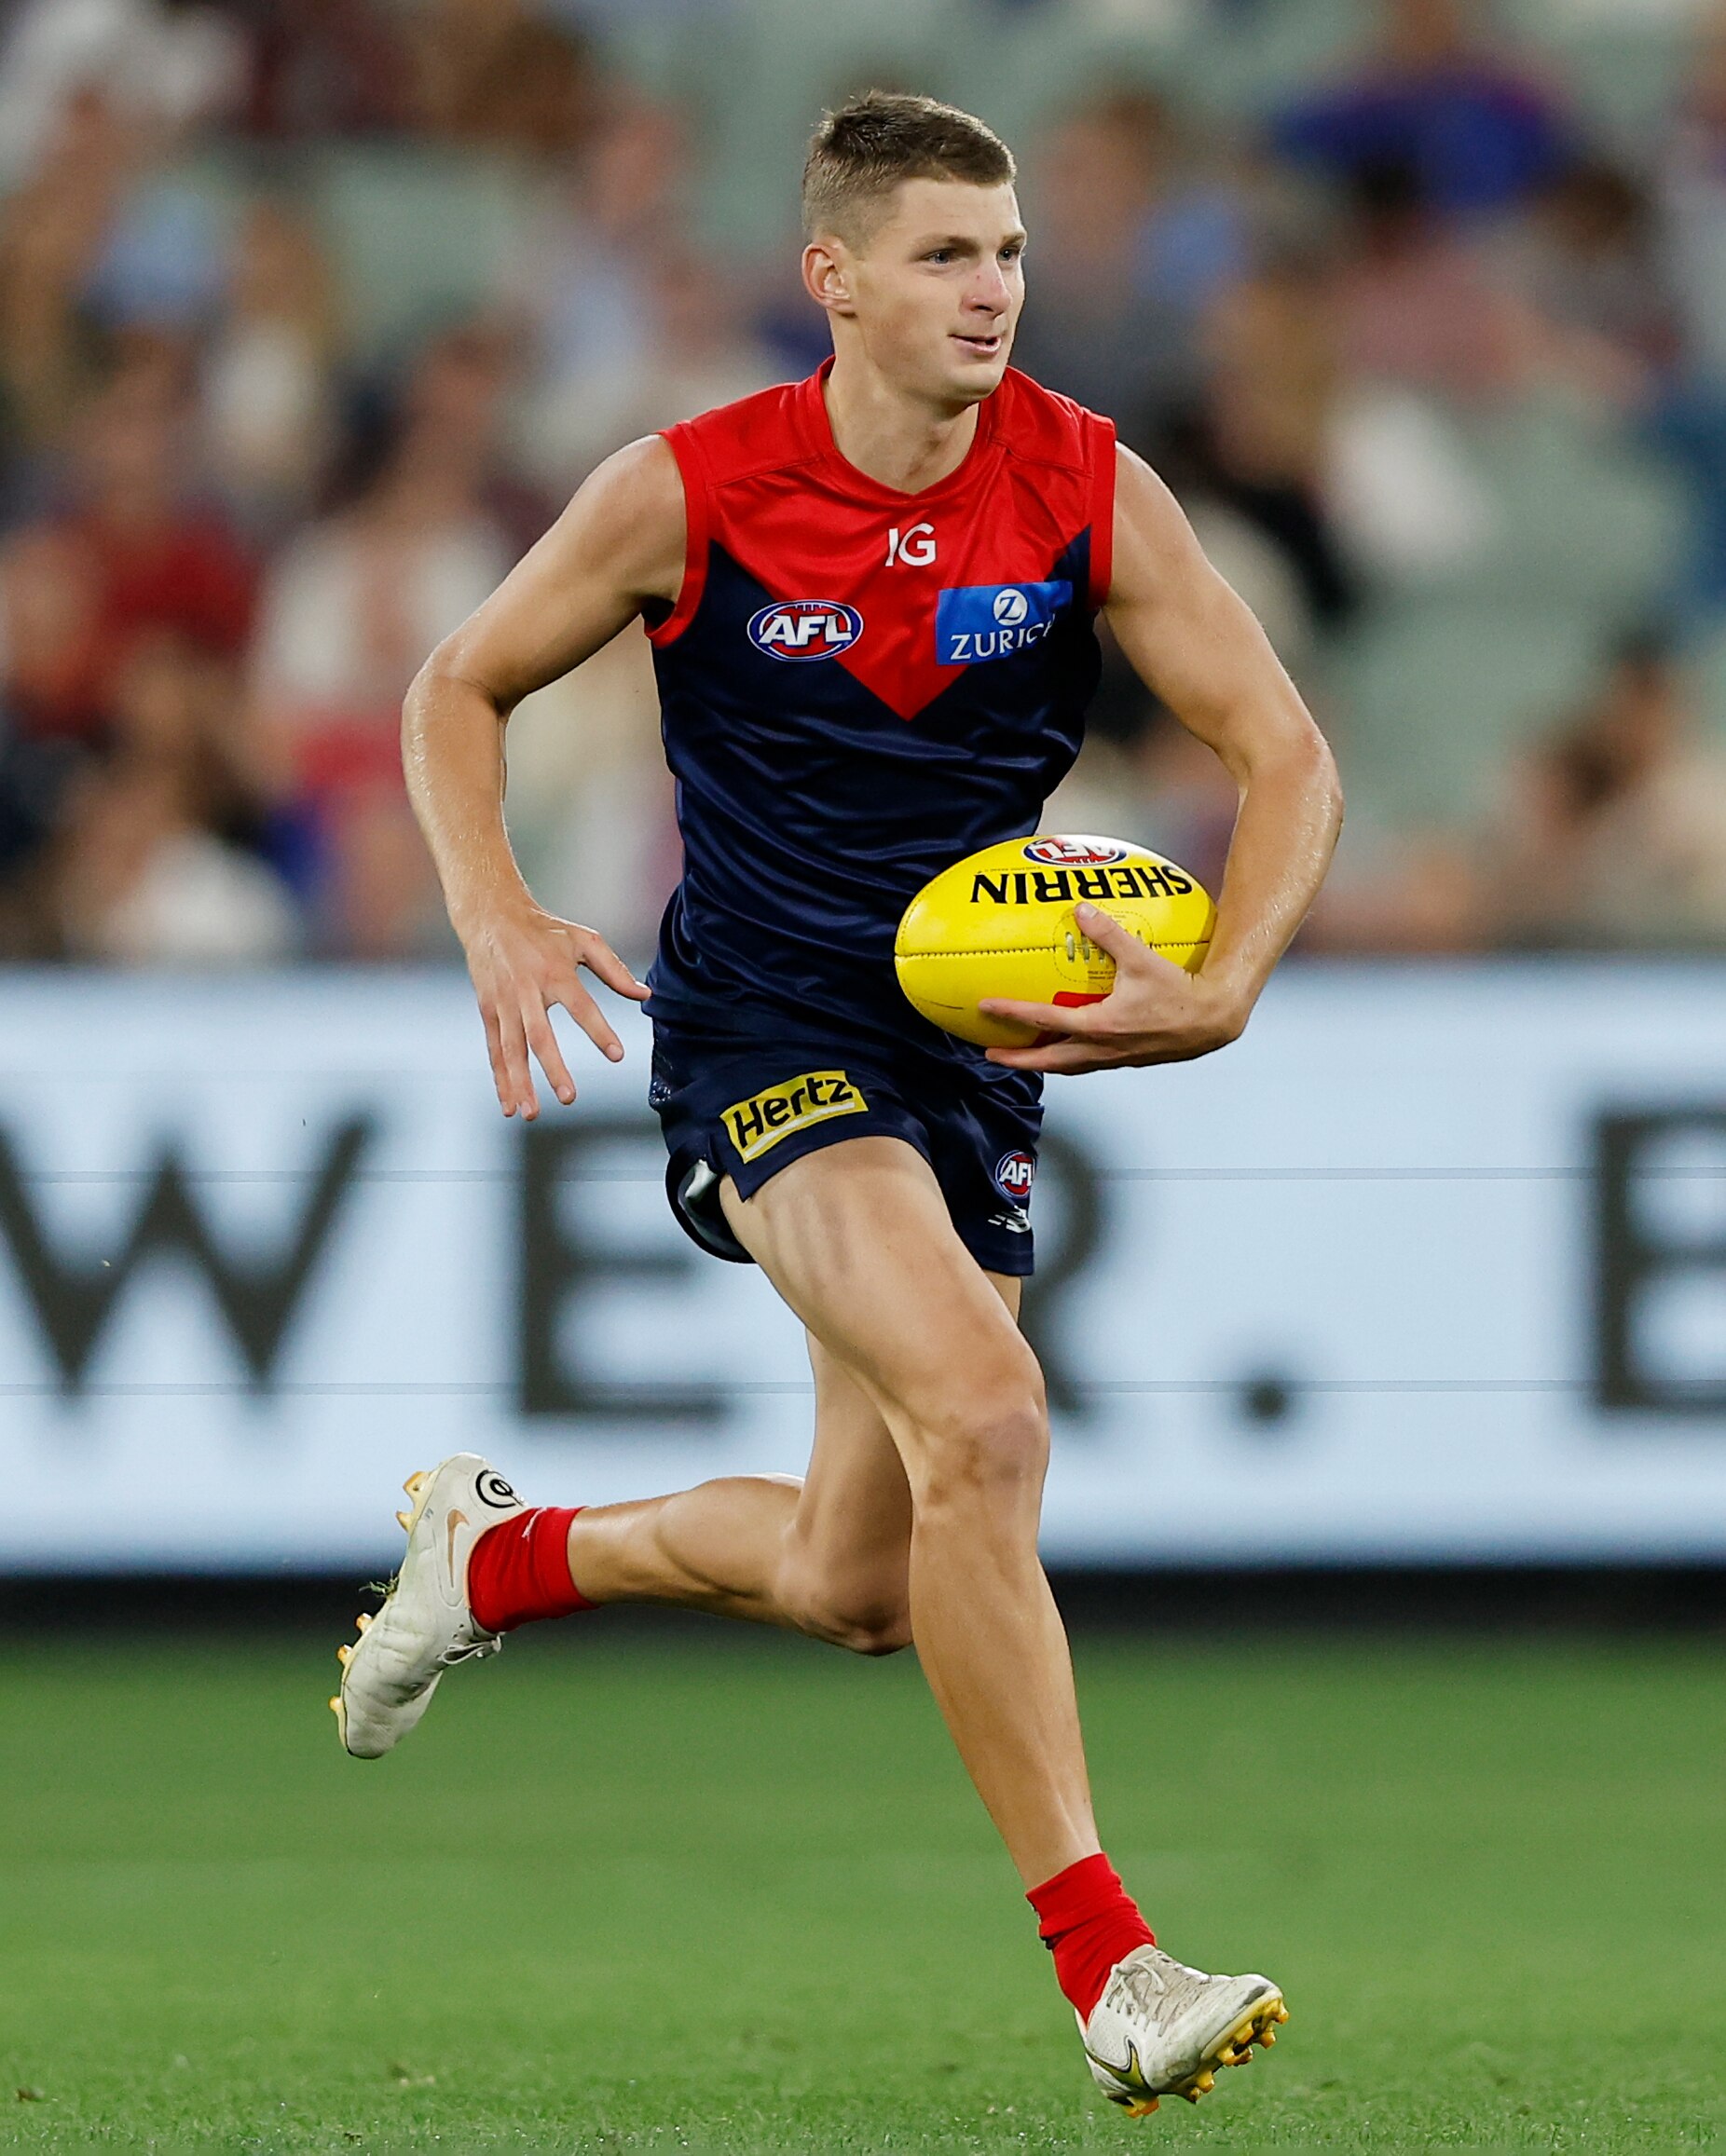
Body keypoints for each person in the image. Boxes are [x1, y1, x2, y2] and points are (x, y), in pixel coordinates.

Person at [335, 92, 1341, 2117]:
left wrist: (1225, 982)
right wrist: (497, 904)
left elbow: (1283, 752)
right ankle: (1110, 1961)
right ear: (836, 279)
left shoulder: (1079, 482)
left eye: (1010, 252)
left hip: (962, 1061)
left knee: (856, 1583)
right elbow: (457, 681)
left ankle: (495, 1555)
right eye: (949, 255)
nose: (993, 290)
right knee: (987, 1414)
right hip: (759, 1032)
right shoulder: (692, 489)